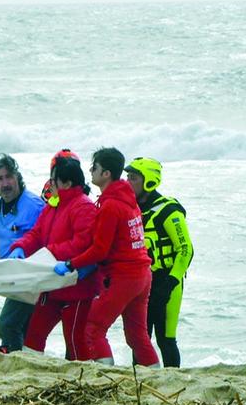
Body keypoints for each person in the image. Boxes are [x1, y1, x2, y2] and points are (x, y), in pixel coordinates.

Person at [54, 147, 159, 367]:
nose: (90, 171)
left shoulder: (110, 206)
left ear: (106, 174)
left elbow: (100, 250)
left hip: (124, 277)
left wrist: (71, 263)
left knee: (93, 328)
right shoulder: (128, 200)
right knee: (137, 336)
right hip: (142, 275)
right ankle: (157, 377)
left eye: (95, 167)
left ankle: (105, 377)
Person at [6, 152, 98, 360]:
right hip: (52, 286)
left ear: (65, 182)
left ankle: (82, 379)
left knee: (75, 340)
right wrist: (20, 246)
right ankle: (33, 371)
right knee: (33, 336)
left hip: (77, 287)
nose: (50, 183)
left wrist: (50, 252)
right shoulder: (53, 205)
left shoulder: (84, 207)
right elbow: (37, 234)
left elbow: (83, 244)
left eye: (53, 179)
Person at [125, 157, 193, 368]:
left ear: (149, 182)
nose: (128, 182)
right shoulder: (131, 209)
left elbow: (186, 250)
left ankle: (174, 382)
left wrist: (169, 283)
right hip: (141, 284)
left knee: (166, 340)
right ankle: (141, 383)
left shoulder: (168, 211)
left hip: (167, 284)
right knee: (139, 340)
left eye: (133, 178)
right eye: (127, 177)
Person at [0, 153, 45, 352]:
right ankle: (24, 361)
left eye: (9, 177)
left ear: (17, 177)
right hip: (10, 278)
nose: (5, 183)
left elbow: (47, 239)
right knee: (24, 327)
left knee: (8, 324)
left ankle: (14, 360)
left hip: (31, 278)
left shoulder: (34, 205)